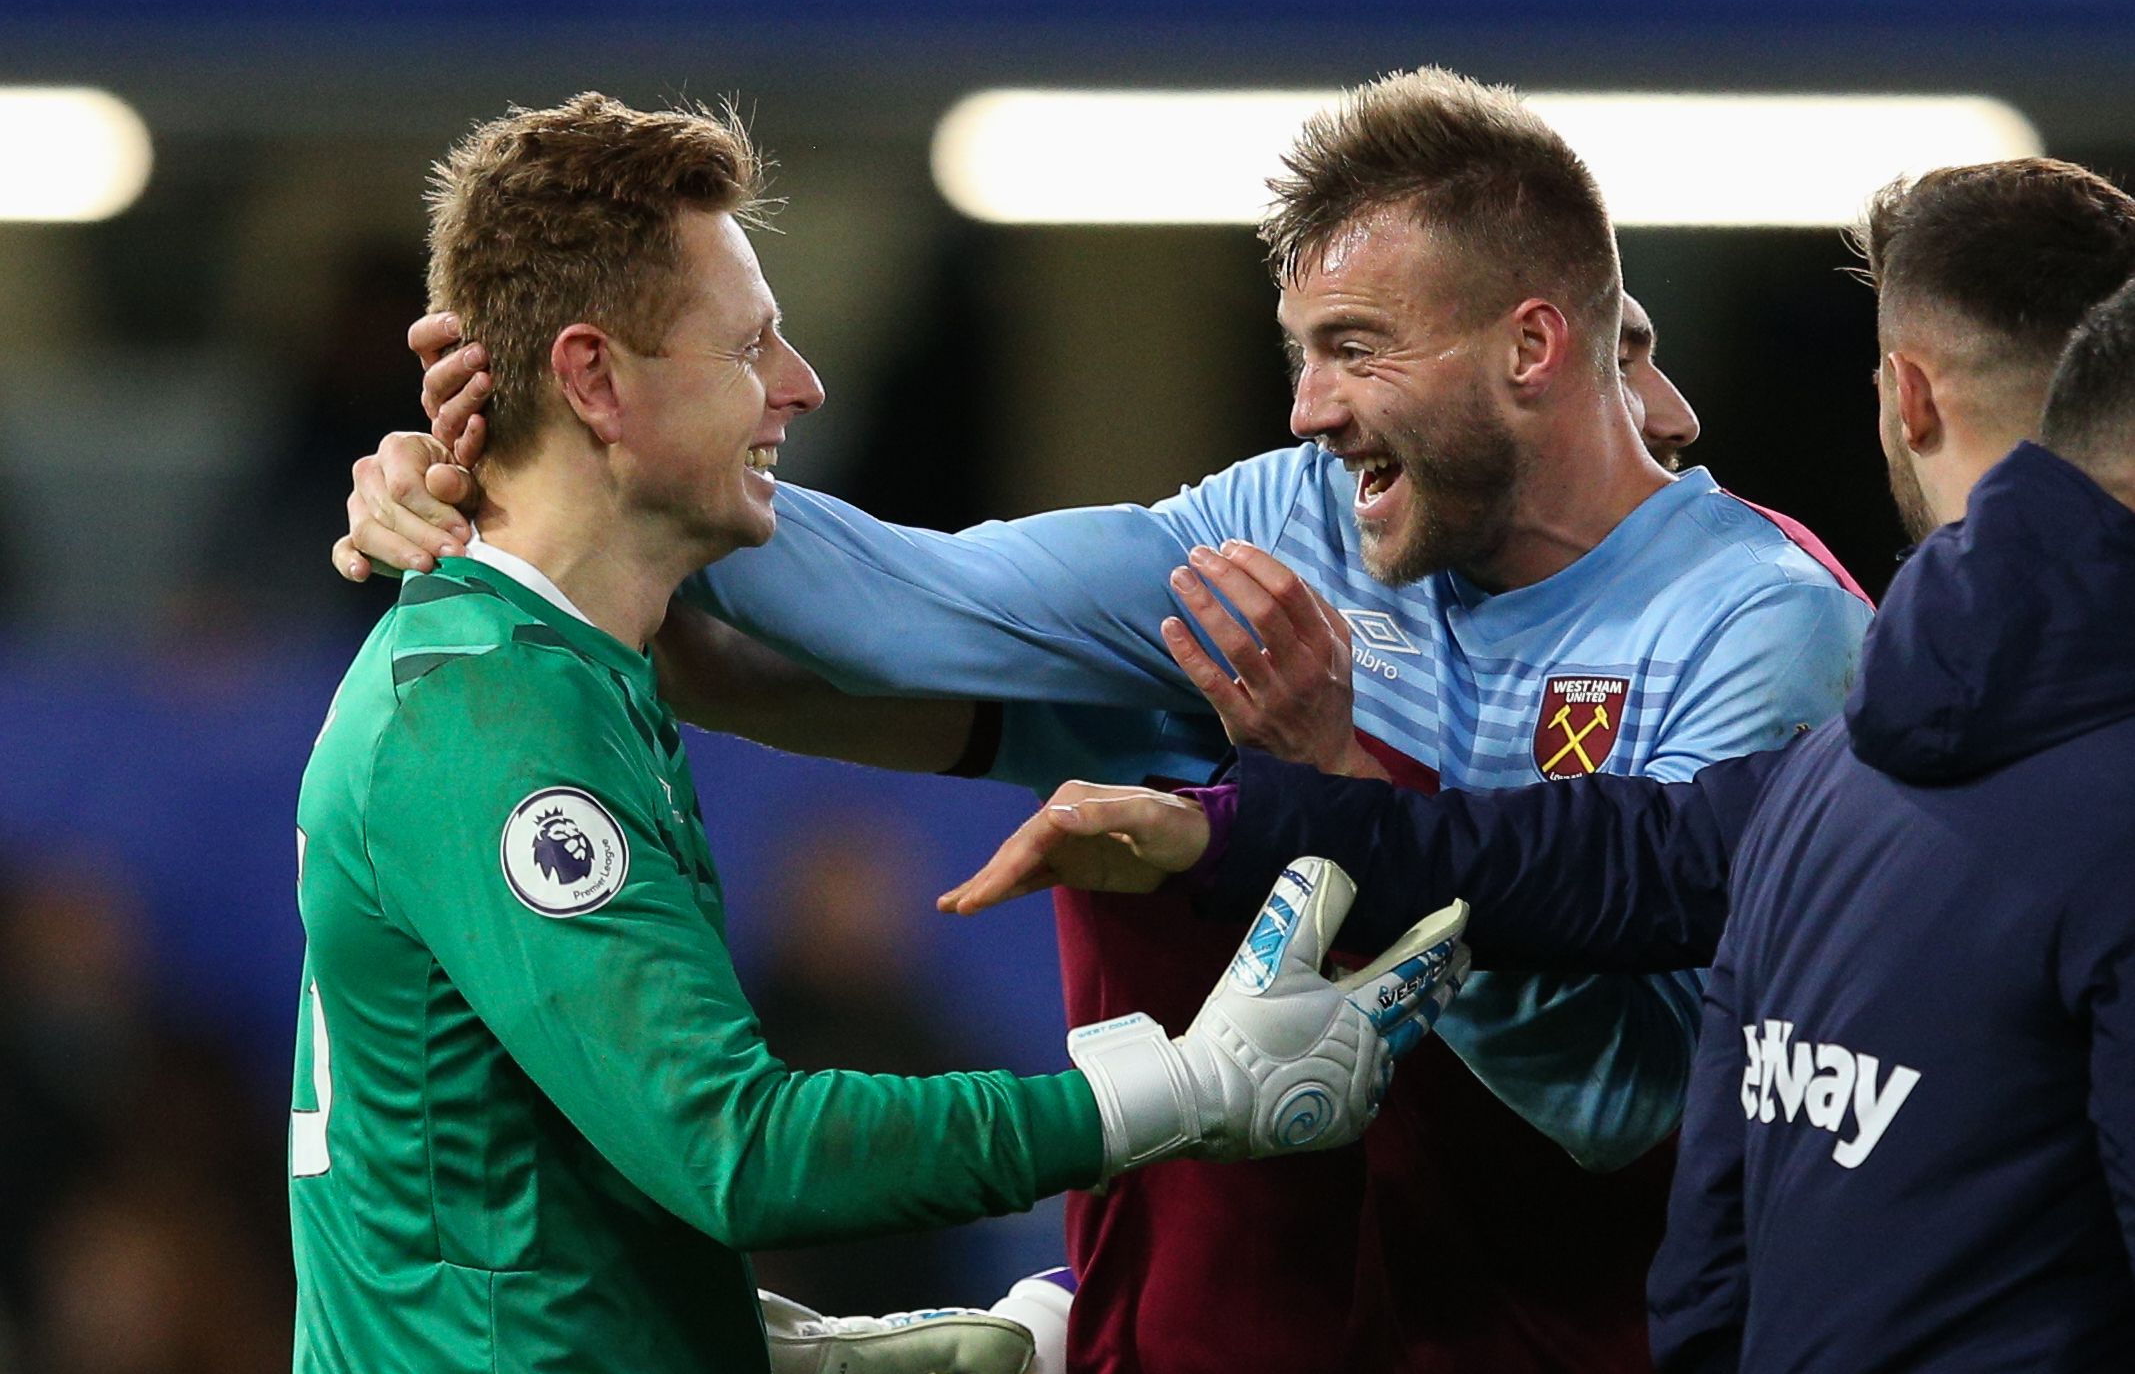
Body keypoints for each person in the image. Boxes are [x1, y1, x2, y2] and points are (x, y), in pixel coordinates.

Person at [339, 69, 1870, 1372]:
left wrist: (1333, 790)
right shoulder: (1299, 525)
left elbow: (1620, 1104)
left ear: (1533, 348)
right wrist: (526, 479)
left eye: (1354, 349)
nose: (1304, 411)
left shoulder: (1760, 624)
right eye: (1298, 352)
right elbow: (911, 606)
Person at [289, 92, 1465, 1374]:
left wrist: (827, 1350)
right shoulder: (492, 716)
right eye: (748, 347)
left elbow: (525, 1203)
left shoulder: (562, 674)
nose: (799, 385)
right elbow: (737, 1150)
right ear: (592, 379)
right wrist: (1187, 1088)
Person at [943, 161, 2135, 1372]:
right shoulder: (1848, 767)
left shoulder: (1824, 751)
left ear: (1905, 398)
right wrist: (1259, 818)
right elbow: (1619, 864)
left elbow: (1638, 996)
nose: (1308, 410)